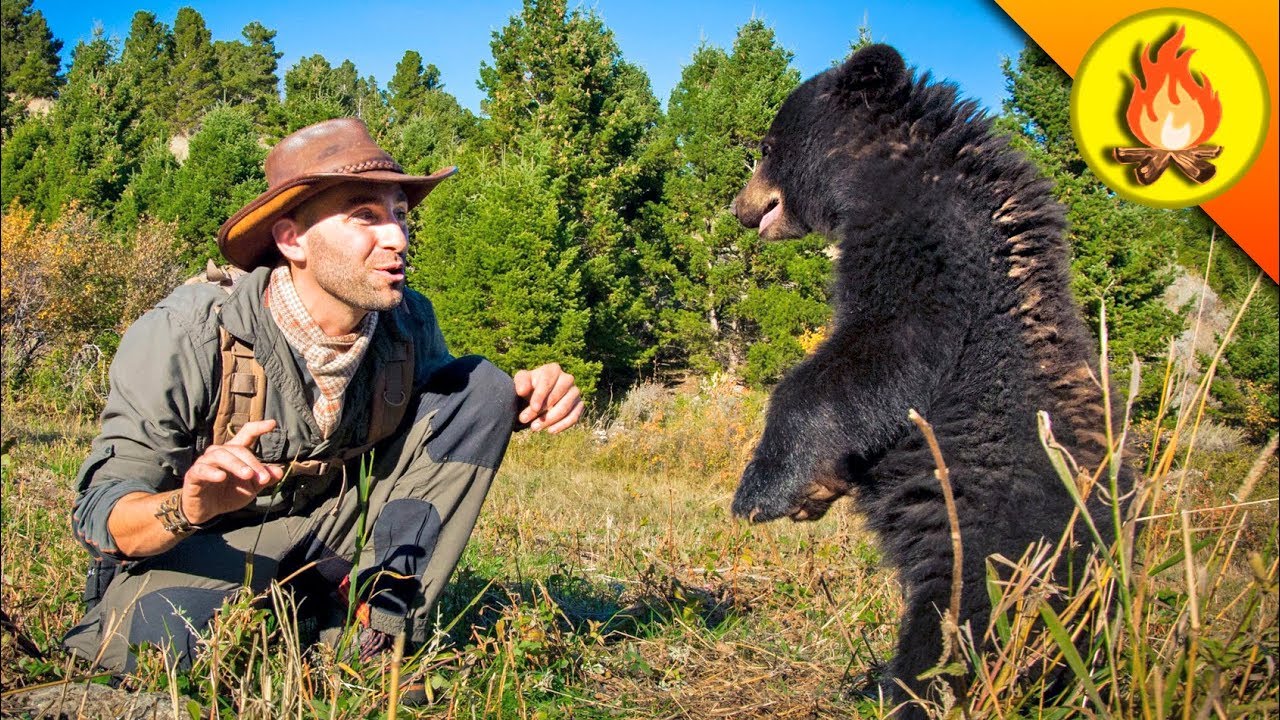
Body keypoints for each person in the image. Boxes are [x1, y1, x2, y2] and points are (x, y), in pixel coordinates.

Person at [62, 118, 584, 673]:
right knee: (159, 651)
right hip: (212, 548)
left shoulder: (409, 322)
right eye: (366, 216)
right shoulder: (186, 332)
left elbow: (453, 418)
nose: (397, 238)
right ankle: (301, 621)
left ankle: (376, 639)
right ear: (292, 240)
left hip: (333, 534)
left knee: (481, 384)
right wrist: (189, 507)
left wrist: (520, 400)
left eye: (400, 215)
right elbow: (101, 515)